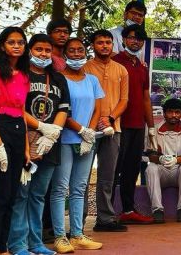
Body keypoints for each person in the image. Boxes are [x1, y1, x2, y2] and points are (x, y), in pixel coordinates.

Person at [8, 34, 70, 255]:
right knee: (21, 194)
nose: (43, 54)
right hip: (24, 141)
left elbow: (64, 109)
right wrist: (41, 127)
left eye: (47, 50)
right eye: (38, 49)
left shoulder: (58, 78)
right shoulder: (19, 74)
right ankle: (18, 244)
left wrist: (53, 133)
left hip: (50, 144)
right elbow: (15, 107)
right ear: (30, 51)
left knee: (38, 195)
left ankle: (36, 242)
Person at [50, 38, 105, 253]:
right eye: (71, 50)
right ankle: (59, 237)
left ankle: (77, 234)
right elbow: (62, 110)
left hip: (87, 141)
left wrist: (89, 133)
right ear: (65, 54)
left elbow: (97, 109)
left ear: (85, 53)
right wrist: (80, 130)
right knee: (59, 189)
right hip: (65, 139)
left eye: (80, 50)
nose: (76, 54)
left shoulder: (92, 80)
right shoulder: (58, 79)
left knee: (79, 188)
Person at [0, 28, 32, 255]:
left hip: (18, 131)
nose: (17, 46)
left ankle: (3, 248)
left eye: (21, 42)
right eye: (11, 42)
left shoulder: (24, 74)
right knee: (1, 194)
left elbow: (22, 112)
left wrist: (26, 148)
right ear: (2, 45)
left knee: (12, 195)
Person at [82, 30, 129, 232]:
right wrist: (94, 122)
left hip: (113, 128)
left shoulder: (121, 70)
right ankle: (78, 221)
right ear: (93, 45)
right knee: (82, 177)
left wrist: (109, 118)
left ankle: (105, 219)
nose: (104, 46)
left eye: (108, 42)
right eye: (100, 42)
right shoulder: (84, 68)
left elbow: (124, 100)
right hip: (87, 129)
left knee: (107, 177)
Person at [111, 24, 155, 226]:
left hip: (138, 125)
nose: (135, 41)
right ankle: (107, 213)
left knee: (132, 169)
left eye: (139, 39)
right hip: (118, 124)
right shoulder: (114, 61)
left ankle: (128, 210)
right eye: (131, 37)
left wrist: (151, 127)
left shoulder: (142, 66)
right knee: (113, 169)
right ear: (123, 40)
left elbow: (146, 98)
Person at [145, 98, 181, 223]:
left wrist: (175, 160)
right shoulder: (155, 130)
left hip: (178, 171)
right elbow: (151, 156)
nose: (174, 115)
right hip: (162, 171)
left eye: (177, 112)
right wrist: (160, 158)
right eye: (170, 112)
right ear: (164, 113)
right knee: (151, 168)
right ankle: (157, 210)